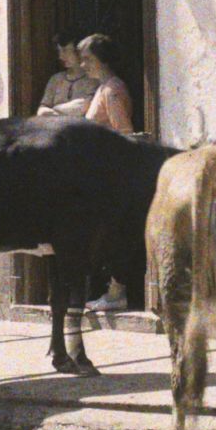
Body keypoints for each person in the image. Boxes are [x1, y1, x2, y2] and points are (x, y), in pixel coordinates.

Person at [77, 33, 136, 312]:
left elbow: (124, 135)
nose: (83, 65)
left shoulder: (112, 91)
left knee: (111, 235)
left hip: (111, 176)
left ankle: (117, 291)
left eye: (87, 59)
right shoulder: (102, 89)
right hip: (99, 174)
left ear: (102, 59)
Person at [36, 32, 97, 118]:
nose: (61, 56)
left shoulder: (92, 80)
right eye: (59, 51)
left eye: (65, 50)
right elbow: (42, 109)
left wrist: (55, 110)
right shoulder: (56, 79)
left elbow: (84, 106)